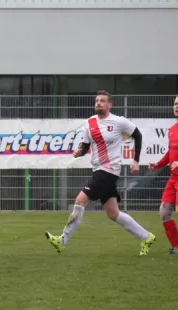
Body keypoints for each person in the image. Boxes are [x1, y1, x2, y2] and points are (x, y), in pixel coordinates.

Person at [45, 90, 156, 256]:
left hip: (109, 170)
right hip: (98, 169)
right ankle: (146, 236)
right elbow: (85, 146)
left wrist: (135, 161)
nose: (98, 103)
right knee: (113, 213)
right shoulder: (90, 123)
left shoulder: (118, 122)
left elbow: (138, 135)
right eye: (97, 100)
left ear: (110, 105)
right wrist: (79, 152)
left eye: (103, 101)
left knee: (80, 200)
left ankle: (62, 240)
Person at [149, 95, 178, 255]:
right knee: (164, 212)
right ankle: (176, 246)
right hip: (173, 179)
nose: (176, 106)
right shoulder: (173, 129)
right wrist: (158, 164)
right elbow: (170, 153)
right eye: (175, 103)